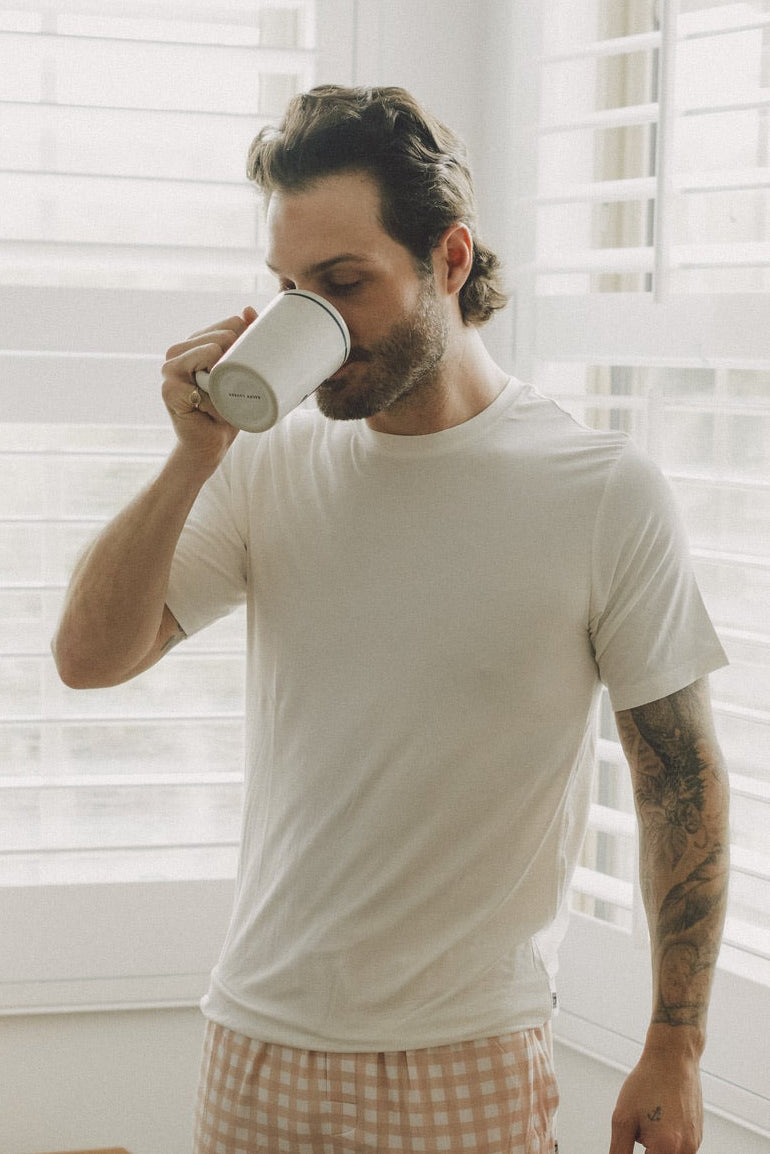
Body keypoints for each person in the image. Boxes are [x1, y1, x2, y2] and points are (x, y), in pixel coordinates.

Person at [53, 85, 730, 1154]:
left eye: (343, 283)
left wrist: (675, 1045)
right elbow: (88, 658)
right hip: (257, 1038)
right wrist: (192, 455)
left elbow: (679, 778)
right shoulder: (262, 465)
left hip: (469, 1048)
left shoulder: (599, 488)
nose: (310, 319)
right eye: (287, 289)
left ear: (448, 260)